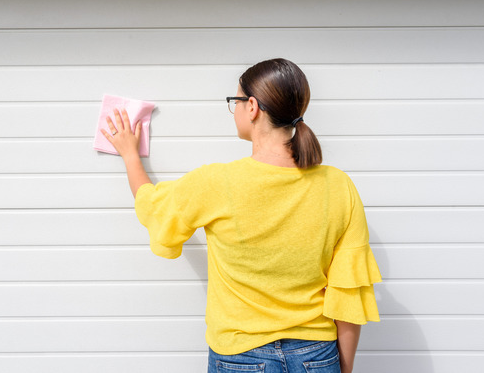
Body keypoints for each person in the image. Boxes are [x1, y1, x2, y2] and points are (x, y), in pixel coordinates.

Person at [101, 58, 381, 373]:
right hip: (316, 356)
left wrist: (128, 154)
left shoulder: (216, 183)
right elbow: (347, 293)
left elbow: (152, 207)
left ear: (252, 107)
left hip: (241, 357)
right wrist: (340, 368)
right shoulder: (338, 186)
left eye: (235, 101)